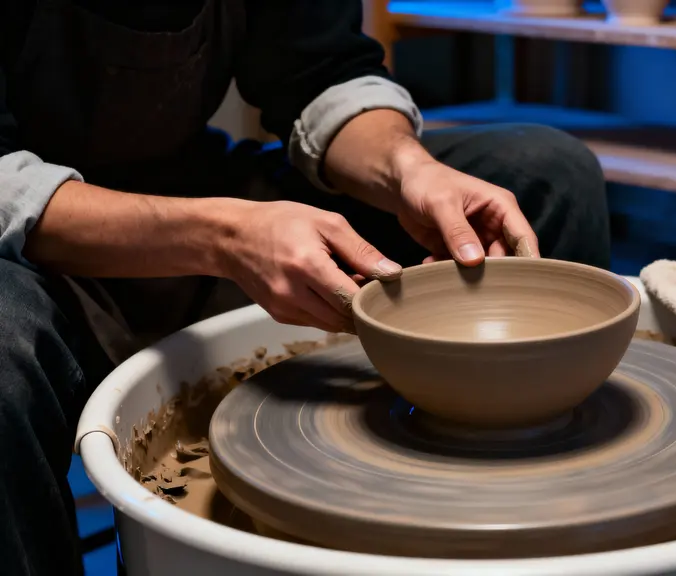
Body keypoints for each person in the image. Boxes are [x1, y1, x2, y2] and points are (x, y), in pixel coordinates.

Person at [0, 1, 611, 574]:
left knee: (545, 174)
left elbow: (323, 72)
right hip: (30, 250)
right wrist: (222, 236)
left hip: (195, 185)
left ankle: (538, 516)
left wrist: (408, 170)